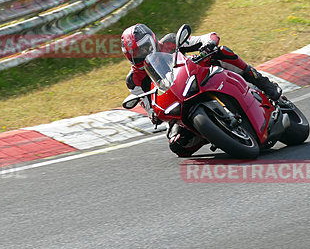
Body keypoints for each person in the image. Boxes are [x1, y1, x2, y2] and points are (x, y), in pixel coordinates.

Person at [120, 23, 282, 157]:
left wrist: (208, 45)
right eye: (135, 54)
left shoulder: (170, 42)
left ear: (152, 40)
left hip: (196, 76)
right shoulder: (134, 80)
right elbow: (150, 109)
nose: (141, 54)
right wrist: (155, 114)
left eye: (143, 48)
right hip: (176, 101)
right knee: (178, 146)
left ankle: (261, 81)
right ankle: (213, 132)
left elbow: (208, 37)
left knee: (221, 51)